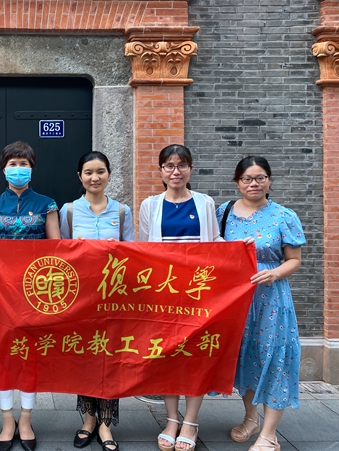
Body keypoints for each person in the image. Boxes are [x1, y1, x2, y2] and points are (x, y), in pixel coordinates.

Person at [216, 156, 305, 451]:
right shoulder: (223, 212)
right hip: (237, 299)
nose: (253, 184)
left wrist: (274, 273)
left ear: (269, 180)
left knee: (275, 356)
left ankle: (269, 434)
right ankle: (251, 418)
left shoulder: (284, 216)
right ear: (237, 182)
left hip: (271, 299)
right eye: (247, 178)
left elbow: (294, 260)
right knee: (247, 355)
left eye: (260, 177)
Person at [0, 141, 60, 451]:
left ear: (32, 168)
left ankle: (26, 417)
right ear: (3, 169)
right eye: (12, 164)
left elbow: (57, 248)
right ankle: (6, 419)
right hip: (0, 291)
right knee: (3, 353)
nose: (18, 169)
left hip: (35, 290)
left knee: (29, 354)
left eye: (23, 163)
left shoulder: (47, 204)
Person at [138, 144, 221, 451]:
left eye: (182, 165)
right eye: (169, 166)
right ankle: (172, 419)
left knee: (196, 355)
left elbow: (215, 242)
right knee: (168, 354)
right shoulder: (150, 205)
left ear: (190, 169)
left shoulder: (204, 202)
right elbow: (144, 250)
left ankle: (191, 421)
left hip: (198, 292)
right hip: (164, 292)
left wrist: (240, 248)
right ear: (161, 171)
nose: (176, 171)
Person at [59, 151, 134, 451]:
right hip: (81, 297)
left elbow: (134, 254)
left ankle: (105, 423)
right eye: (88, 172)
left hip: (113, 297)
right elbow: (60, 252)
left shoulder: (122, 211)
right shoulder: (69, 211)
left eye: (100, 171)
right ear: (80, 176)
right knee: (86, 356)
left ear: (109, 174)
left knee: (110, 357)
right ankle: (88, 419)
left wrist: (120, 251)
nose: (95, 177)